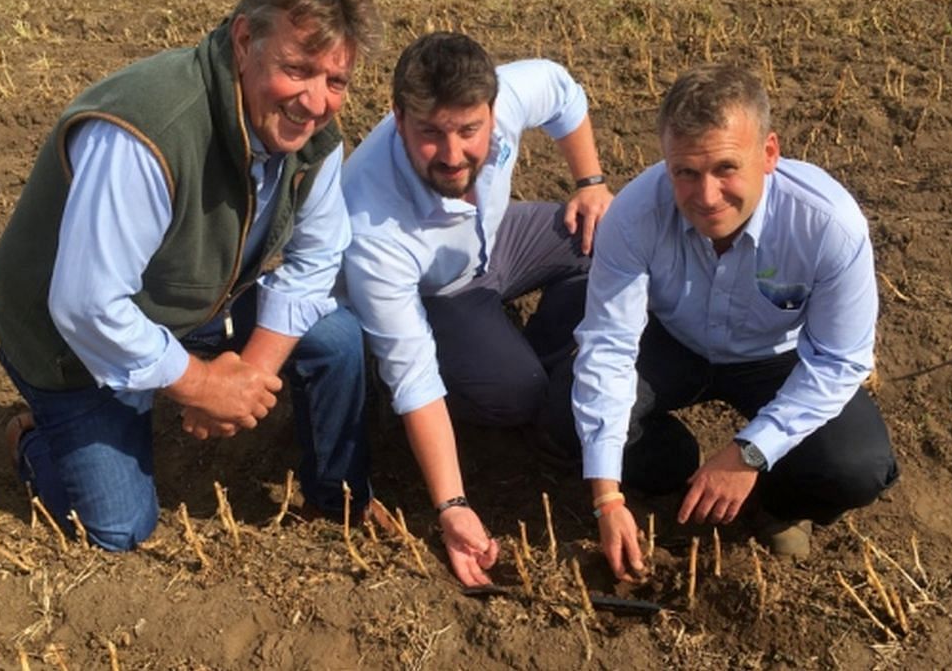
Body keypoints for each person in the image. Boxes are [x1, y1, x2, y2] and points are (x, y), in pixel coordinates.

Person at [0, 0, 381, 550]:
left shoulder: (314, 137)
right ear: (245, 41)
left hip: (187, 303)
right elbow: (86, 305)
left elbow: (315, 261)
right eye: (298, 69)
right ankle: (33, 439)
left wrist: (247, 379)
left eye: (336, 79)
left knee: (337, 338)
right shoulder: (152, 130)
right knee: (117, 530)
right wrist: (201, 386)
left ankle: (339, 506)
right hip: (67, 338)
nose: (316, 101)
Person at [560, 63, 899, 579]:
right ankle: (676, 466)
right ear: (667, 162)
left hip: (775, 357)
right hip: (672, 341)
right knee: (566, 417)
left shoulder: (828, 225)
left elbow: (837, 362)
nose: (707, 196)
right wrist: (607, 497)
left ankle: (777, 502)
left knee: (858, 466)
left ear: (768, 154)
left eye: (725, 168)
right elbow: (609, 347)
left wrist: (749, 453)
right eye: (686, 173)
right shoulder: (633, 216)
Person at [341, 32, 613, 586]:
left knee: (608, 242)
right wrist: (452, 505)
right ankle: (495, 376)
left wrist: (591, 183)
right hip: (435, 292)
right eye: (430, 134)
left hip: (495, 240)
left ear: (491, 111)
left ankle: (538, 356)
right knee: (517, 396)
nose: (452, 154)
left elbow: (562, 90)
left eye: (469, 131)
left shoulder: (508, 95)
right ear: (398, 117)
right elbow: (414, 374)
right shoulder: (371, 223)